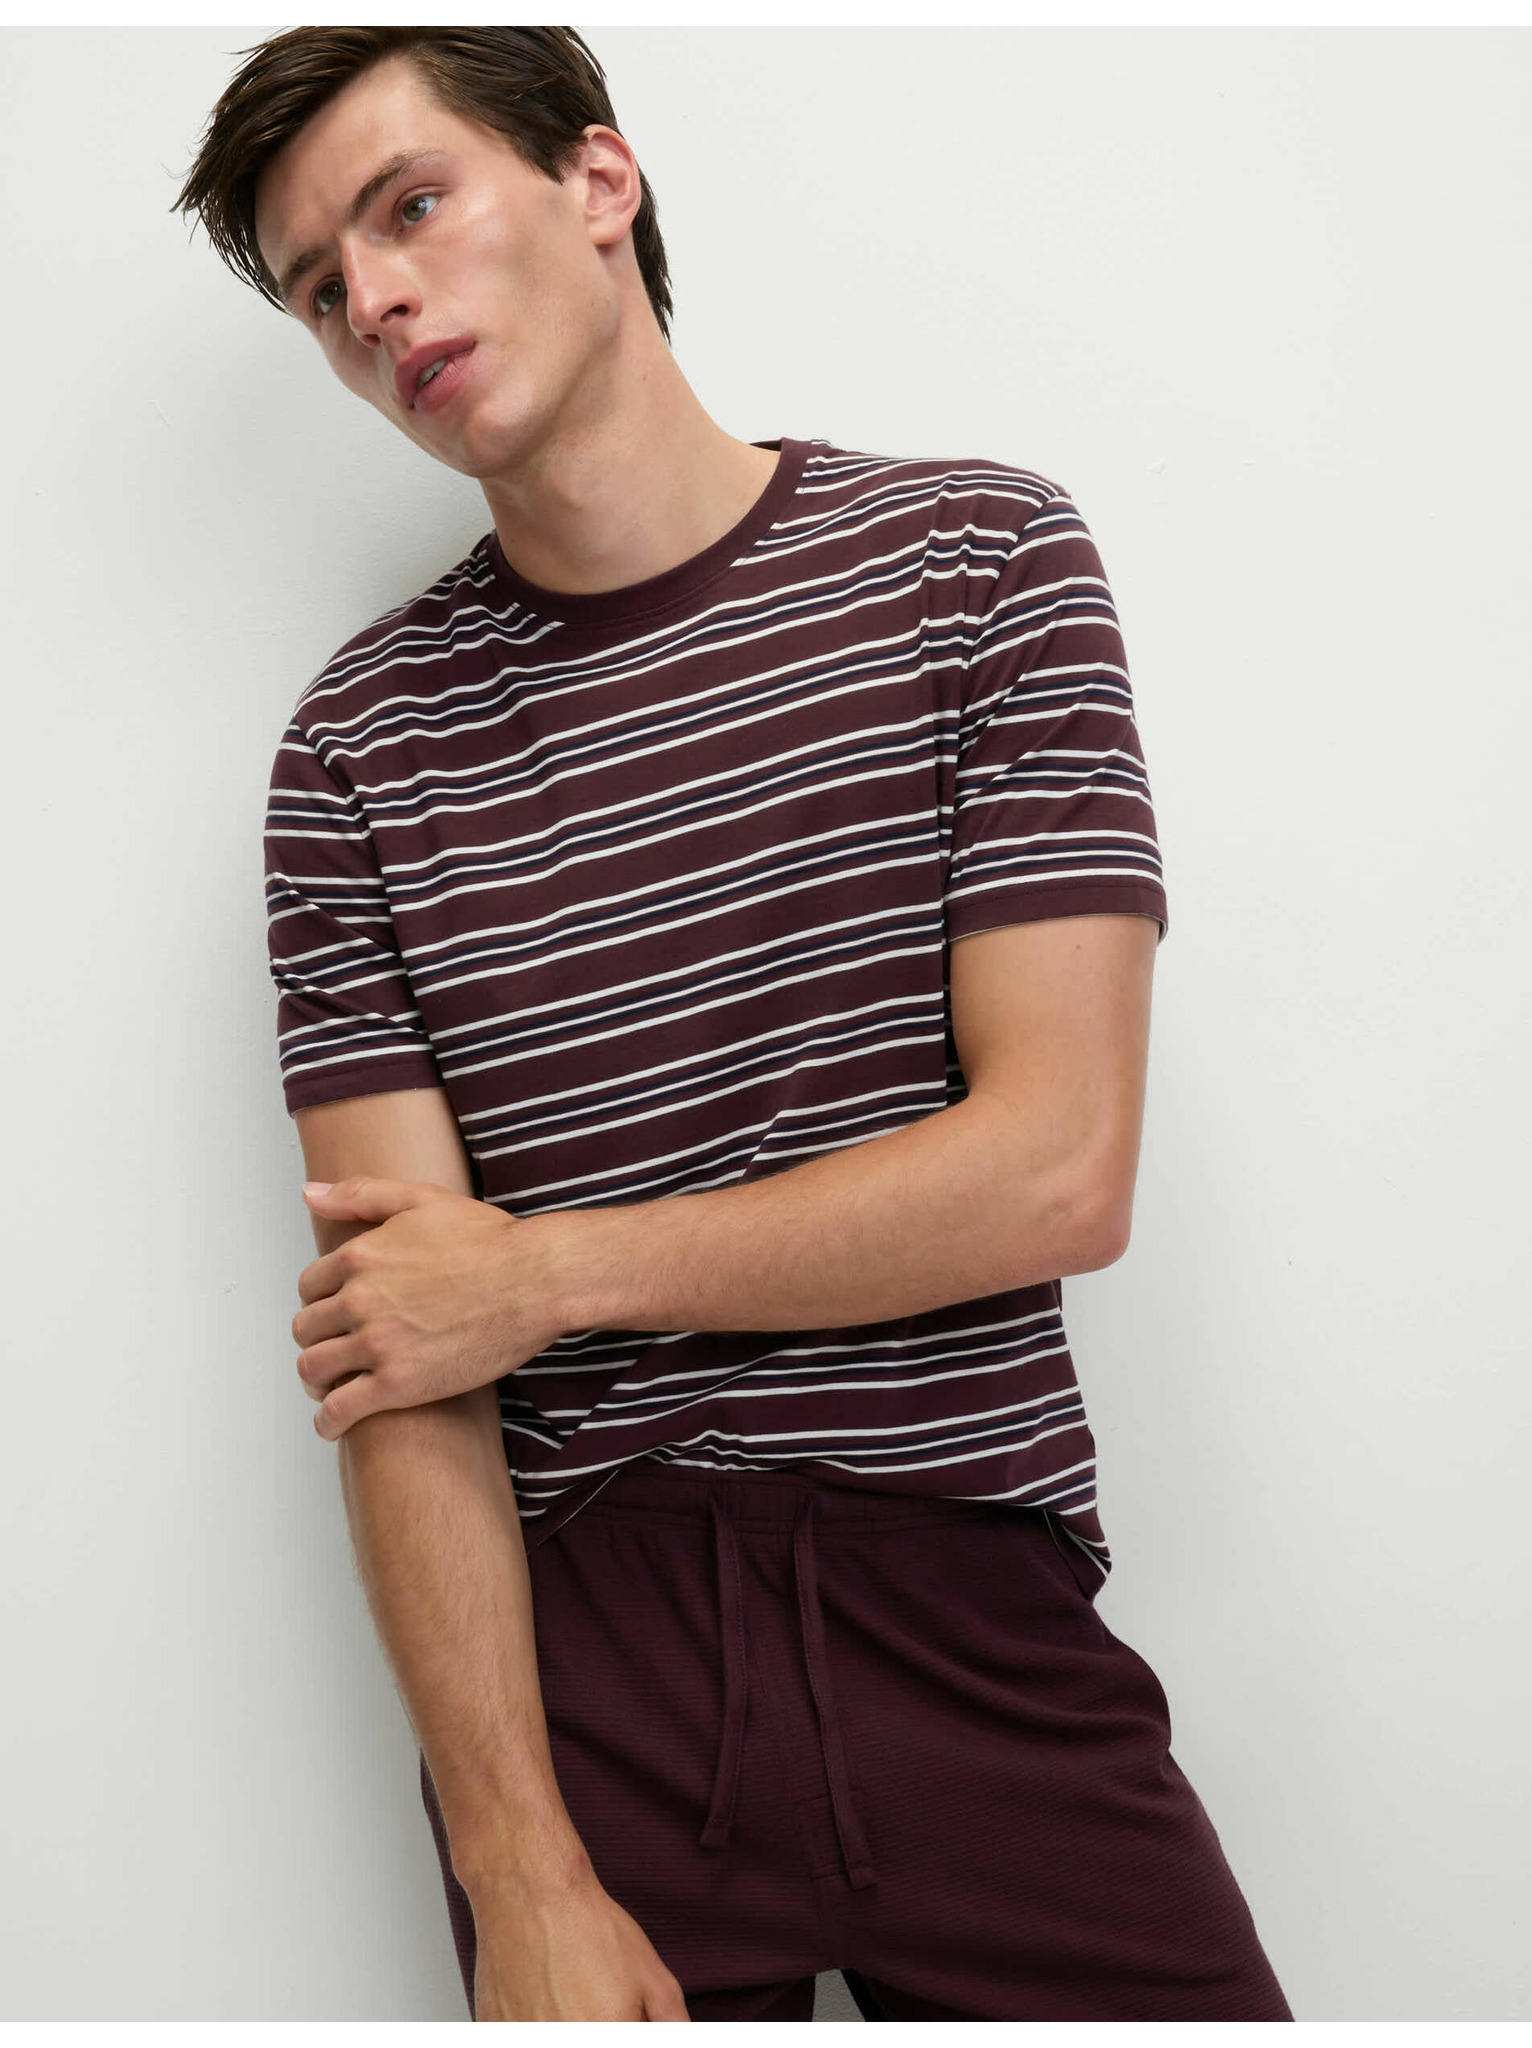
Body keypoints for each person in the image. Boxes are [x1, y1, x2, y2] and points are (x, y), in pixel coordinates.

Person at [173, 26, 1293, 2023]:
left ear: (599, 181)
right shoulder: (359, 752)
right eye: (325, 291)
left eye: (410, 207)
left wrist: (545, 1278)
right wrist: (517, 1871)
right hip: (592, 1691)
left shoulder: (978, 567)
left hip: (971, 1616)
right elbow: (401, 1349)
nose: (378, 302)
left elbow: (1056, 1168)